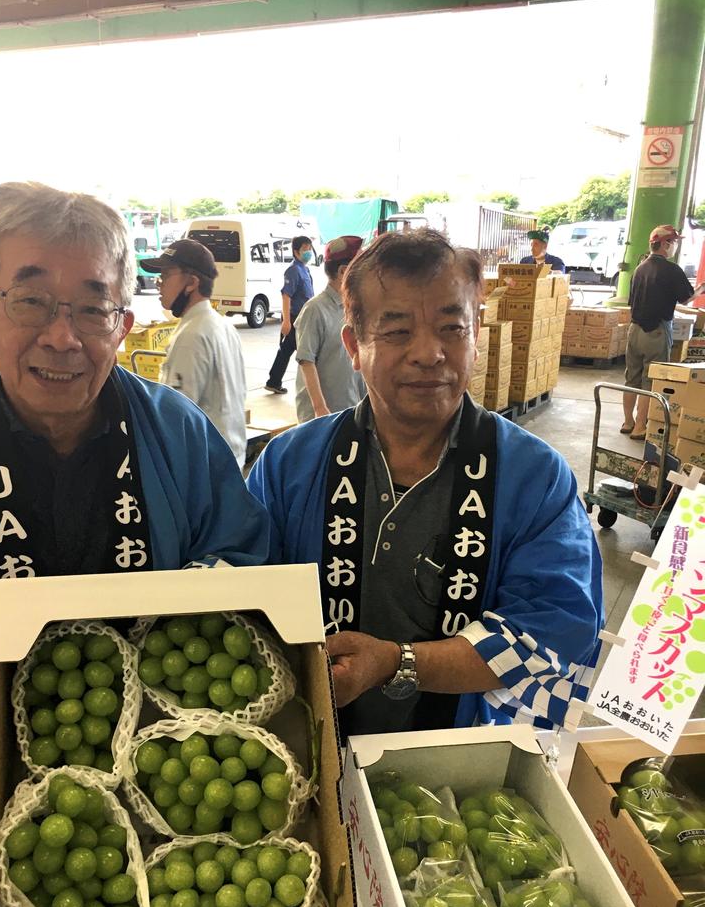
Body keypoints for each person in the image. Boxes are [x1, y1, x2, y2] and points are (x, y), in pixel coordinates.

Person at [0, 182, 269, 854]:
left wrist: (185, 600)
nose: (63, 336)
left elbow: (246, 554)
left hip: (176, 776)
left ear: (123, 325)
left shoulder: (176, 431)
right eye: (32, 300)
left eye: (92, 307)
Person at [248, 230, 602, 739]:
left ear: (476, 334)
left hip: (457, 767)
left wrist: (397, 663)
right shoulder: (289, 463)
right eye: (396, 332)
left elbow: (551, 629)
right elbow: (246, 597)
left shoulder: (535, 477)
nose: (429, 353)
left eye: (451, 328)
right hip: (309, 746)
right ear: (353, 345)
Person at [142, 239, 248, 465]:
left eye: (166, 275)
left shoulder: (192, 335)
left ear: (191, 282)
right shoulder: (222, 325)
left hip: (202, 470)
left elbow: (174, 417)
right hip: (228, 460)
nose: (159, 284)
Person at [622, 225, 705, 440]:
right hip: (656, 331)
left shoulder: (640, 268)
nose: (675, 246)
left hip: (635, 330)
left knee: (632, 378)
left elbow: (632, 300)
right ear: (666, 244)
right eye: (674, 242)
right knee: (651, 380)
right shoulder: (671, 269)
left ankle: (628, 421)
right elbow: (685, 298)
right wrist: (700, 290)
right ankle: (640, 426)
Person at [295, 235, 366, 423]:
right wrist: (320, 409)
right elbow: (306, 361)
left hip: (350, 410)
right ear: (343, 272)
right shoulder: (315, 309)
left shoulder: (356, 309)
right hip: (323, 417)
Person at [264, 235, 314, 394]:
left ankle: (274, 381)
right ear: (296, 252)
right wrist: (286, 321)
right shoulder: (293, 270)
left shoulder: (305, 269)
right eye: (305, 249)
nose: (308, 252)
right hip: (295, 319)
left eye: (309, 249)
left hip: (303, 318)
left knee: (287, 350)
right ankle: (275, 381)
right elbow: (286, 296)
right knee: (308, 352)